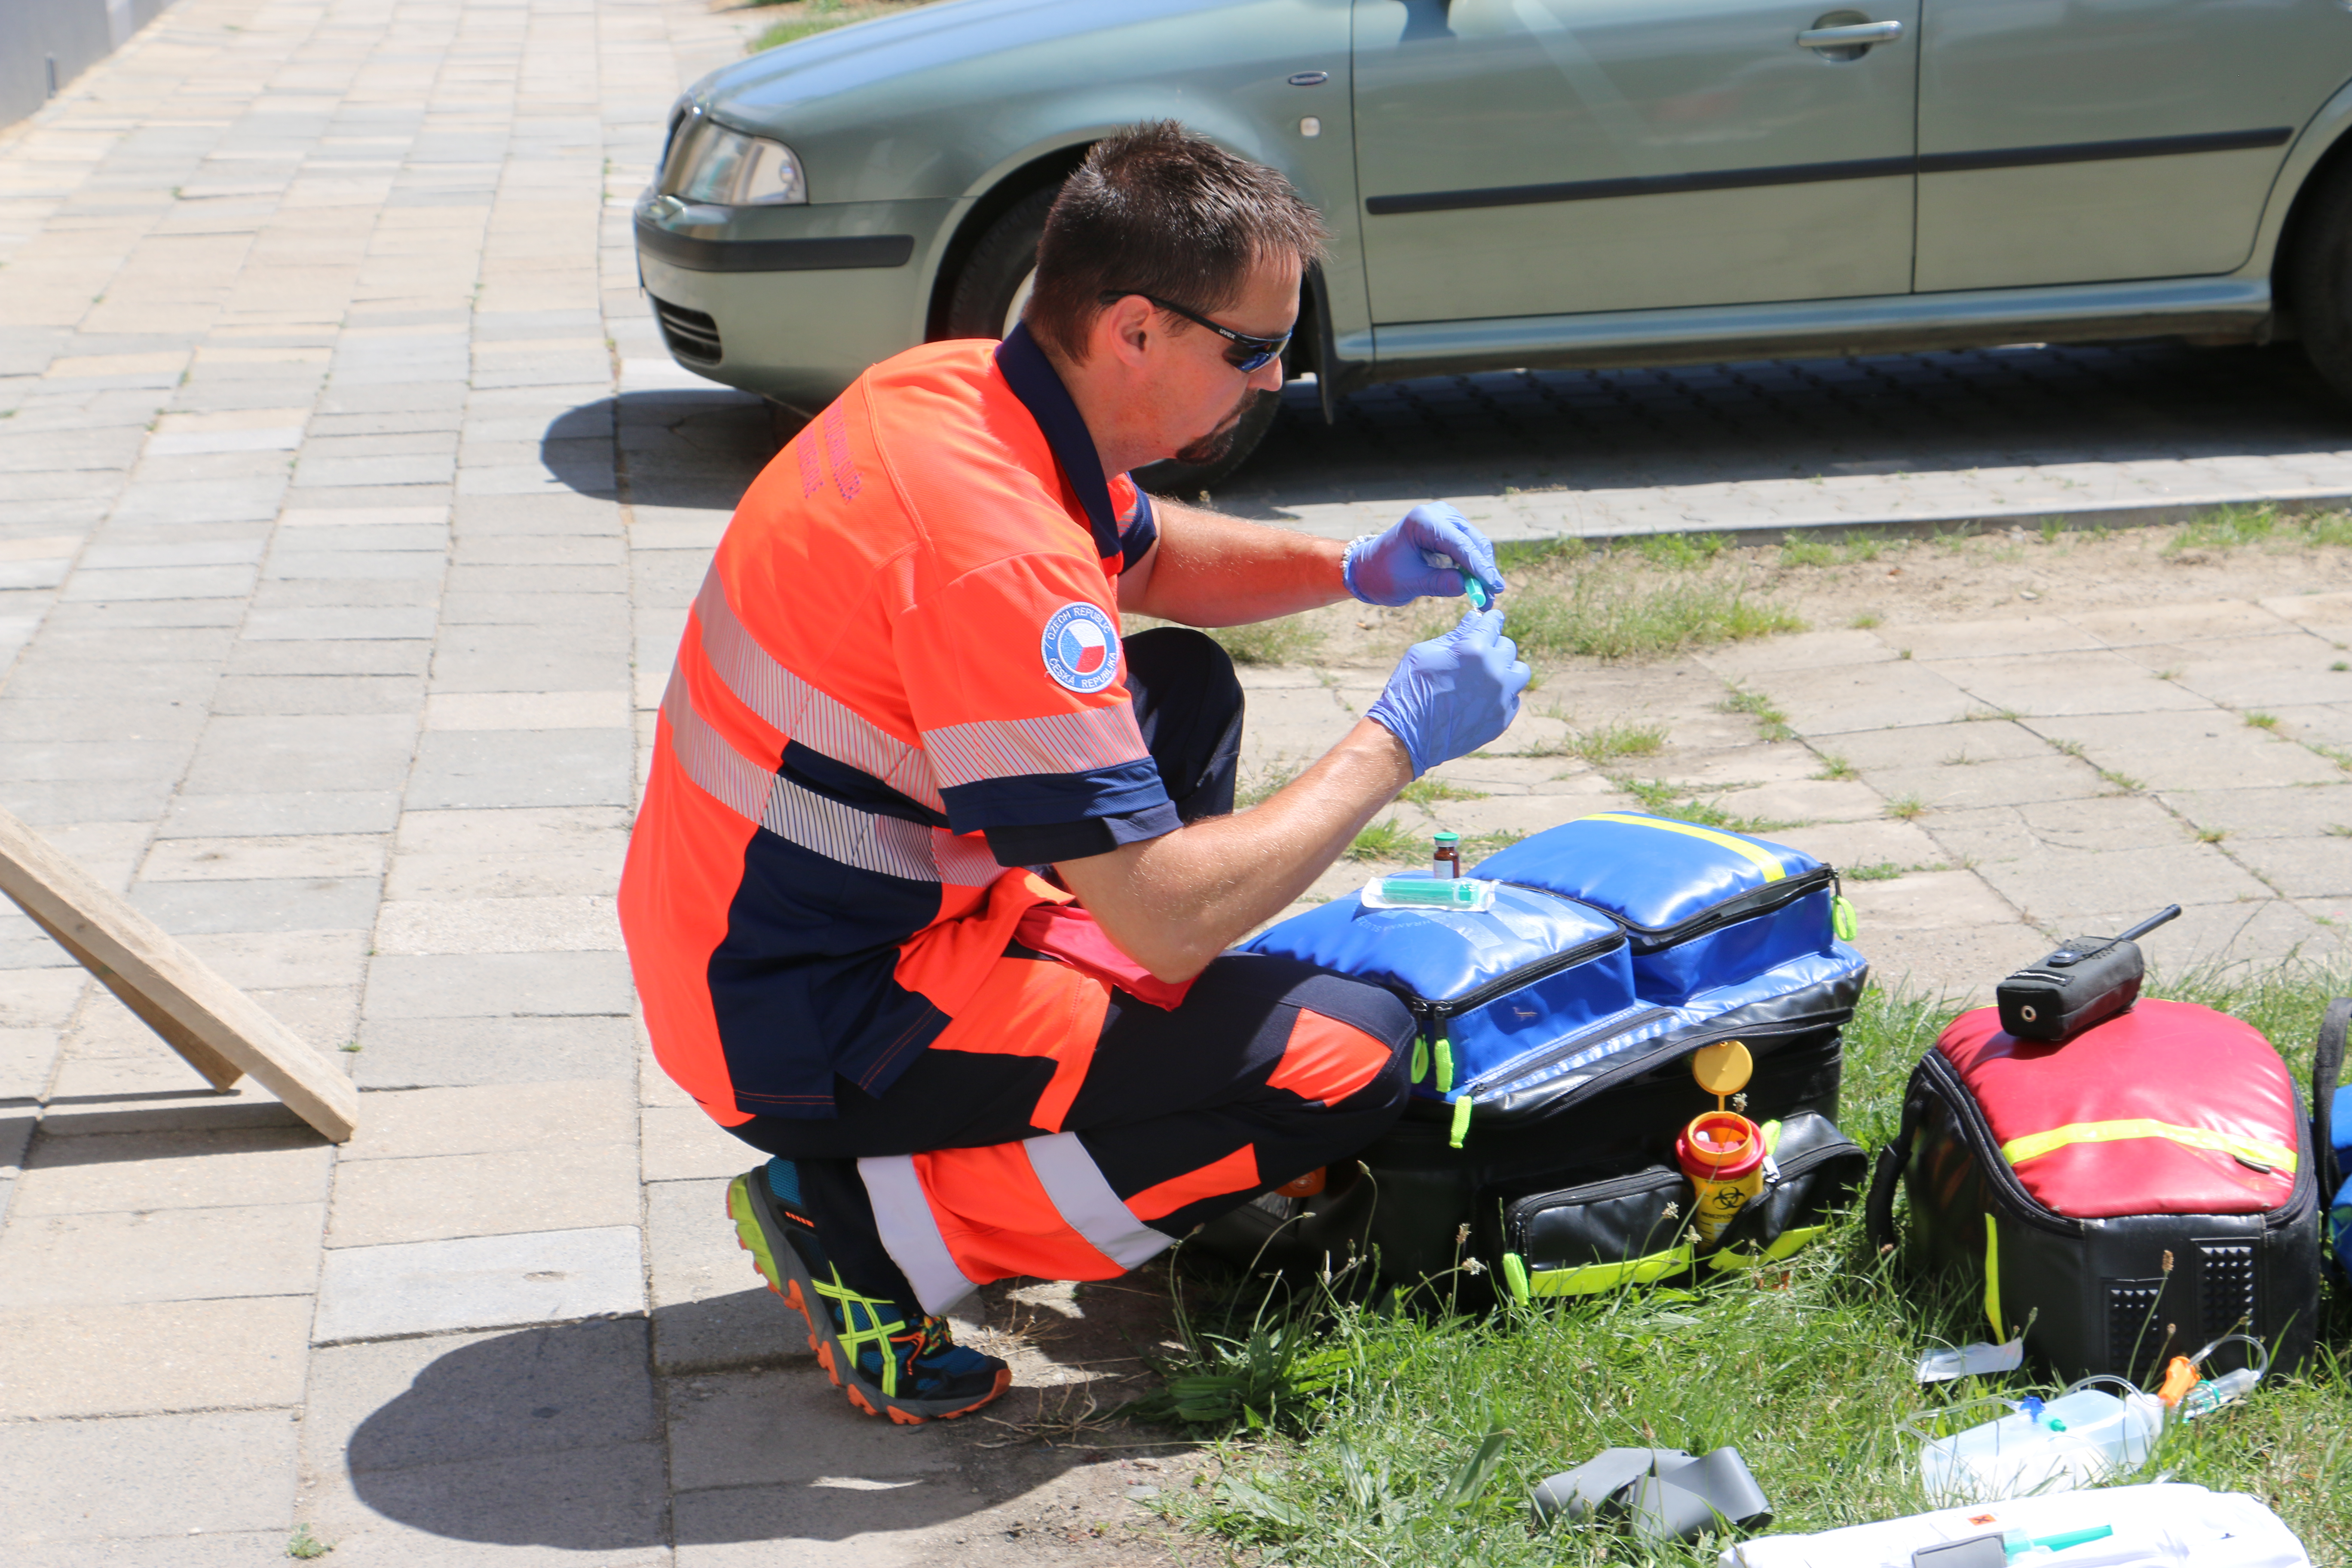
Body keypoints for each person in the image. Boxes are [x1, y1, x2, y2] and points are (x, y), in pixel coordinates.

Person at [617, 122, 1529, 1425]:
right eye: (1256, 348)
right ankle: (872, 1223)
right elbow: (1164, 909)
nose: (1276, 380)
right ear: (1138, 332)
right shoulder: (994, 552)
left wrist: (1351, 566)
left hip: (764, 924)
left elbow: (1144, 556)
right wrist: (1397, 738)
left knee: (1183, 689)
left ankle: (1079, 1081)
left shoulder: (951, 392)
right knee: (1341, 1056)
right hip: (810, 1013)